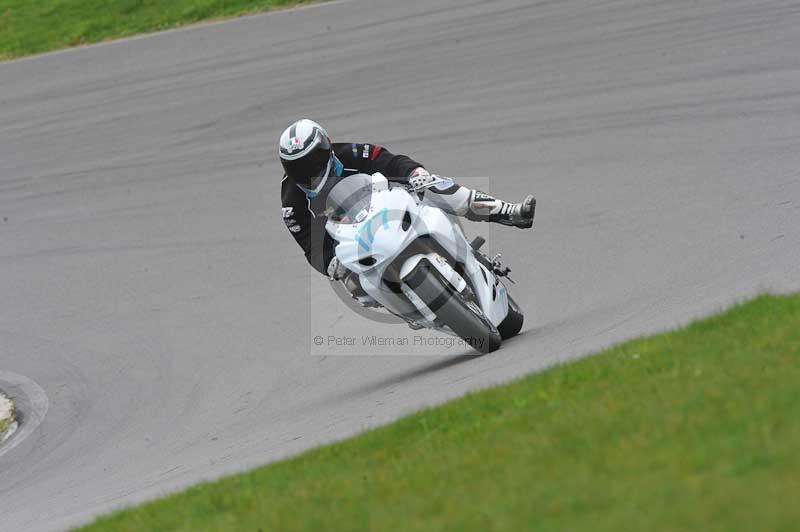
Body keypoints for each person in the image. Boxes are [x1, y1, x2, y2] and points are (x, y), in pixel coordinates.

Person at [279, 119, 535, 297]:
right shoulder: (292, 200)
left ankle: (508, 212)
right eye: (296, 167)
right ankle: (401, 304)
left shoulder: (349, 153)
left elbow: (389, 160)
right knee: (352, 284)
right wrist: (329, 264)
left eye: (311, 162)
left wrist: (415, 172)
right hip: (356, 238)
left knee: (434, 185)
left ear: (326, 146)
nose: (306, 172)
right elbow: (309, 244)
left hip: (390, 206)